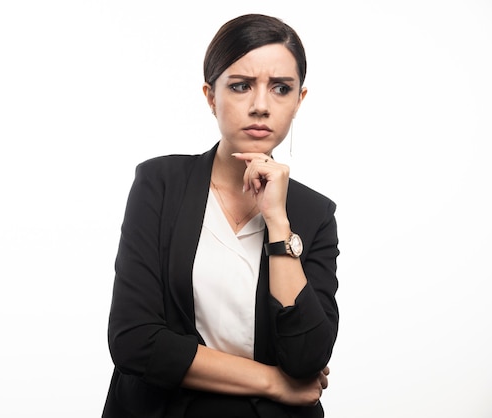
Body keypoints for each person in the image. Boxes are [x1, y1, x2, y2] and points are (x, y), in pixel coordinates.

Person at [102, 13, 339, 418]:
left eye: (281, 88)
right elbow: (134, 341)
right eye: (241, 86)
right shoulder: (159, 184)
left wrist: (279, 224)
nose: (261, 105)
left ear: (299, 100)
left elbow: (306, 358)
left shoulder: (314, 214)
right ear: (211, 96)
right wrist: (273, 383)